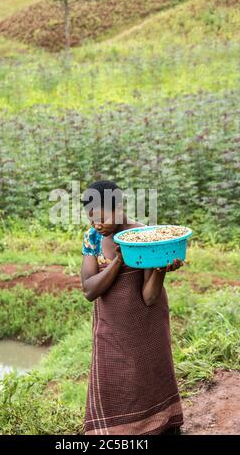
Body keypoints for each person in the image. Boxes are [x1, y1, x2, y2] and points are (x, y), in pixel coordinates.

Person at [81, 180, 184, 435]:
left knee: (148, 376)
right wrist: (118, 260)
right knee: (114, 379)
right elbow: (89, 289)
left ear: (118, 208)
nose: (97, 225)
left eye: (102, 218)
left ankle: (158, 427)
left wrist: (160, 268)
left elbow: (149, 297)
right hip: (111, 326)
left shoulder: (143, 236)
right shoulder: (93, 238)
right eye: (91, 219)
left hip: (145, 326)